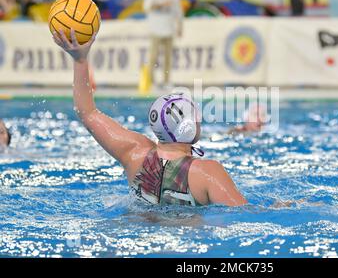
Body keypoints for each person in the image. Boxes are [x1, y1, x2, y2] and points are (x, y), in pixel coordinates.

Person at [51, 28, 247, 207]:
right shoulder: (208, 173)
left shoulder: (134, 153)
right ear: (187, 127)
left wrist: (80, 60)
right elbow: (243, 216)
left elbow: (87, 112)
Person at [143, 0, 183, 87]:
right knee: (153, 57)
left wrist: (180, 26)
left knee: (168, 57)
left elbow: (178, 10)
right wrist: (161, 5)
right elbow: (146, 7)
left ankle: (166, 80)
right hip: (155, 28)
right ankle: (152, 81)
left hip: (169, 28)